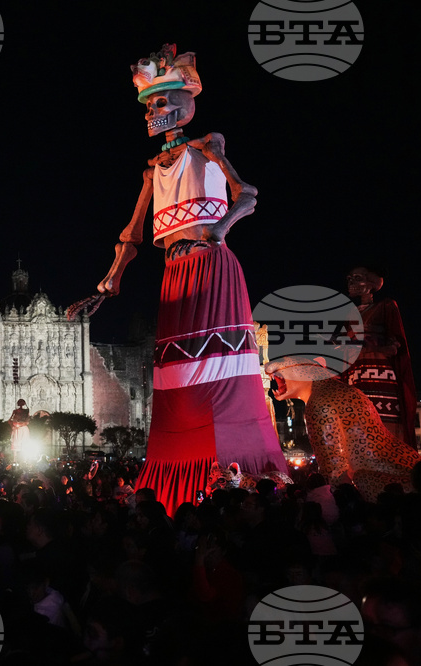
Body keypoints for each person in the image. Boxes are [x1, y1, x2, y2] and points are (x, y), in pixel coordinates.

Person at [95, 44, 286, 515]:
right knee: (177, 375)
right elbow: (131, 234)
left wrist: (220, 230)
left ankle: (238, 475)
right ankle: (180, 475)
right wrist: (111, 278)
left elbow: (247, 196)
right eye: (149, 105)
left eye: (162, 103)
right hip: (174, 273)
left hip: (210, 261)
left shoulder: (207, 146)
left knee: (219, 366)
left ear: (185, 104)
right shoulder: (150, 171)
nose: (153, 113)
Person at [344, 266, 418, 444]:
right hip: (355, 376)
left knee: (382, 425)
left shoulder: (385, 306)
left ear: (370, 284)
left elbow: (394, 345)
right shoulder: (349, 314)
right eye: (350, 278)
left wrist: (369, 350)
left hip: (379, 374)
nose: (351, 282)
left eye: (357, 277)